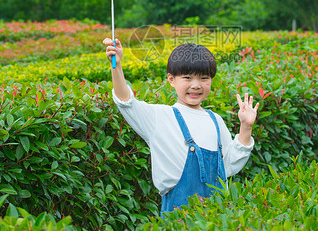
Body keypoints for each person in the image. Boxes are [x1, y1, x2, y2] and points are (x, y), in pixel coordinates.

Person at [102, 38, 258, 214]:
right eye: (187, 77)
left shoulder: (215, 121)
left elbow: (229, 164)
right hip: (177, 216)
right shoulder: (160, 117)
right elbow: (126, 103)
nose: (196, 85)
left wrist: (246, 126)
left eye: (204, 78)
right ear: (171, 79)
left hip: (218, 216)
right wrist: (117, 65)